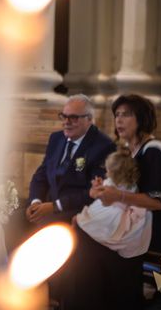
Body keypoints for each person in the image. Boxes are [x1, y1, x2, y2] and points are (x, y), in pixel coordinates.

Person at [63, 94, 161, 310]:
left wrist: (116, 196)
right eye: (117, 115)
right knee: (79, 227)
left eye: (126, 114)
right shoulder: (133, 151)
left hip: (154, 229)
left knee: (86, 238)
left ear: (142, 119)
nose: (119, 120)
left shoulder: (153, 152)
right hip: (134, 222)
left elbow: (158, 203)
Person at [26, 94, 115, 226]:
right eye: (64, 116)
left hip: (75, 212)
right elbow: (41, 175)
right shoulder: (56, 138)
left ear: (89, 119)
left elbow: (94, 192)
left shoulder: (103, 146)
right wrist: (35, 202)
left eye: (73, 117)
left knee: (44, 225)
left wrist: (55, 206)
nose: (66, 122)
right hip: (47, 206)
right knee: (13, 220)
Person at [74, 149, 151, 258]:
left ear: (114, 174)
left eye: (107, 171)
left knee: (87, 223)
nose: (106, 173)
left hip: (109, 211)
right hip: (121, 213)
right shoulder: (133, 185)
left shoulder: (110, 184)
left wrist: (96, 187)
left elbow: (96, 196)